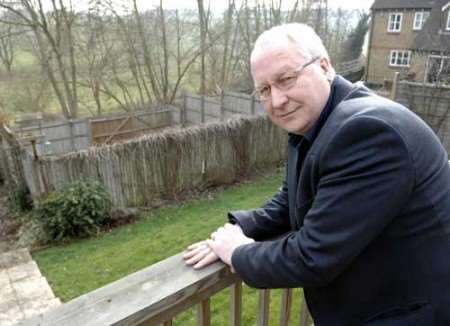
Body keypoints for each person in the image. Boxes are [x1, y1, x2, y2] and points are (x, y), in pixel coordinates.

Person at [183, 23, 450, 325]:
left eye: (286, 79)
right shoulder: (322, 122)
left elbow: (313, 256)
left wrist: (239, 253)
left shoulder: (367, 132)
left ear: (324, 66)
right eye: (264, 90)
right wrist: (236, 229)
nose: (277, 100)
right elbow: (291, 199)